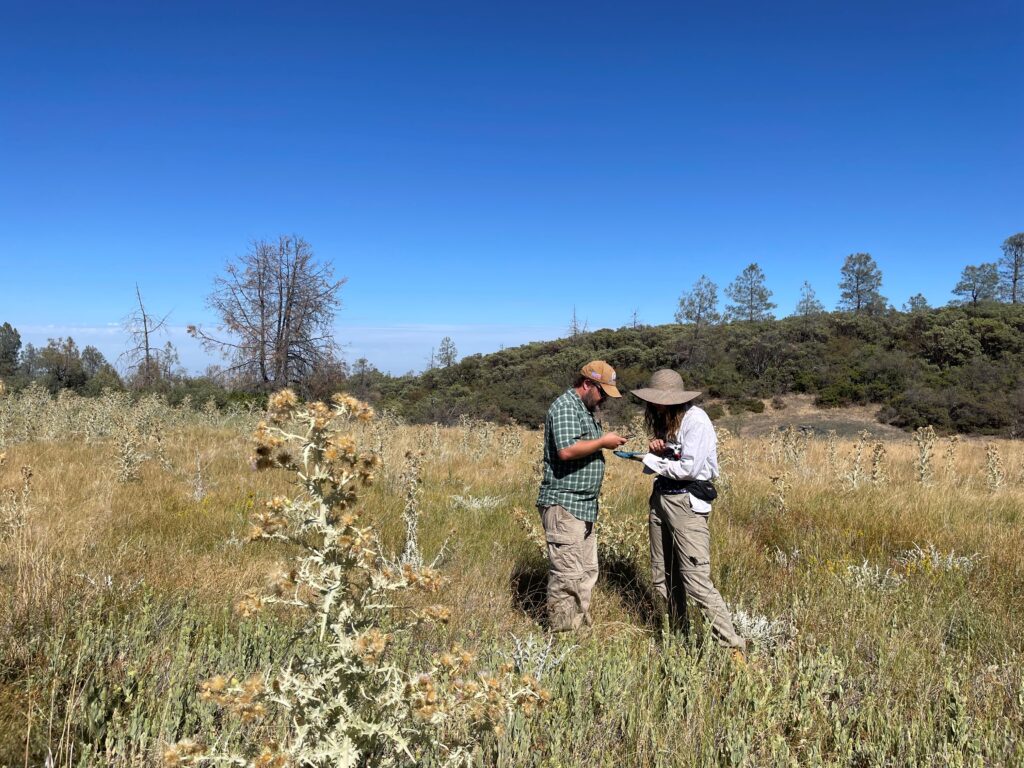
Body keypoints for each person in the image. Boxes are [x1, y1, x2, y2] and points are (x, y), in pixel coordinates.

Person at [630, 369, 747, 659]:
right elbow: (670, 460)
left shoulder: (697, 421)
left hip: (687, 504)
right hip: (661, 499)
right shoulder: (667, 421)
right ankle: (678, 638)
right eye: (653, 400)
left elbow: (690, 469)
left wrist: (651, 460)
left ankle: (732, 649)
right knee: (664, 576)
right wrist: (657, 450)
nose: (654, 406)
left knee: (695, 580)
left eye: (659, 401)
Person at [536, 360, 628, 631]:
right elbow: (566, 450)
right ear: (588, 384)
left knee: (586, 572)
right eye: (602, 393)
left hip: (583, 506)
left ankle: (578, 630)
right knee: (567, 576)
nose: (604, 401)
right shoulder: (565, 407)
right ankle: (563, 638)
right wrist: (602, 441)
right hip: (565, 504)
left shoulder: (584, 410)